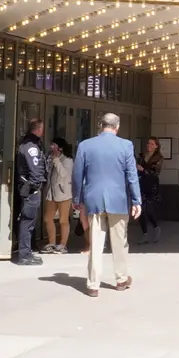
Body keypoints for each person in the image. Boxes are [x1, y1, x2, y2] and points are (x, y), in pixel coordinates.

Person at [72, 113, 141, 297]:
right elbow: (131, 176)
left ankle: (93, 284)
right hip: (118, 200)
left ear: (100, 125)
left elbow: (77, 176)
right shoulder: (126, 146)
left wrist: (77, 200)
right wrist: (136, 200)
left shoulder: (85, 145)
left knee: (95, 242)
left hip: (93, 199)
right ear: (117, 127)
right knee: (120, 242)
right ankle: (121, 279)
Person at [13, 120, 47, 265]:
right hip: (31, 190)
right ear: (38, 129)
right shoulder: (30, 146)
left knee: (29, 222)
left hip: (29, 188)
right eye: (42, 128)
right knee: (27, 222)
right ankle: (24, 255)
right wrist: (36, 184)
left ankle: (27, 252)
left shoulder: (28, 144)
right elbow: (35, 169)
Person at [42, 137, 74, 253]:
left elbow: (64, 174)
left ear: (60, 148)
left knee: (63, 220)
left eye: (53, 145)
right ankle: (51, 243)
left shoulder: (68, 160)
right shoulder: (50, 158)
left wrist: (56, 160)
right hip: (52, 194)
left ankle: (63, 245)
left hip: (64, 194)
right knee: (47, 218)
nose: (51, 147)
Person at [137, 136, 164, 243]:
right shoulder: (142, 156)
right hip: (141, 184)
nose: (149, 145)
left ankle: (156, 228)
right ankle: (144, 234)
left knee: (148, 210)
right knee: (140, 211)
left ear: (156, 146)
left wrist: (143, 170)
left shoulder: (159, 158)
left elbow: (155, 173)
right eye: (148, 143)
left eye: (152, 144)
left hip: (152, 186)